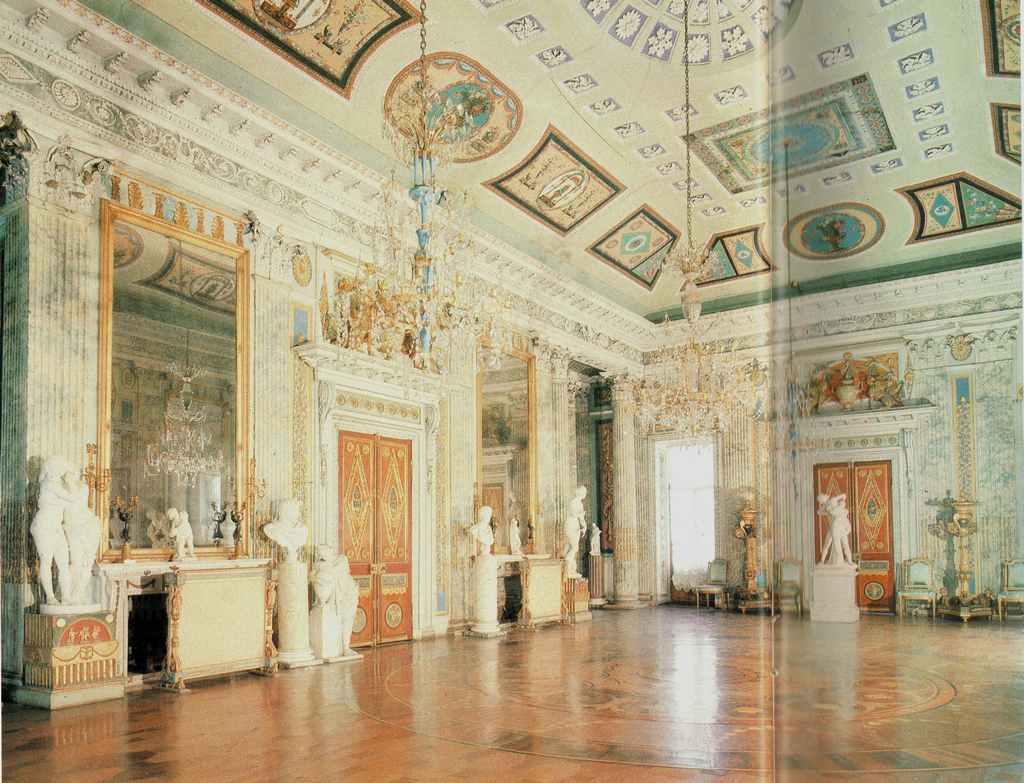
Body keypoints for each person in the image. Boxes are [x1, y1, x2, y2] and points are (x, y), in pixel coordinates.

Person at [30, 457, 76, 606]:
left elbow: (71, 503)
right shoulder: (49, 484)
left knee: (63, 563)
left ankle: (66, 597)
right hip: (44, 526)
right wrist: (71, 481)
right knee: (46, 561)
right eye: (61, 469)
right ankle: (50, 597)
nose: (63, 472)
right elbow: (72, 498)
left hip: (56, 527)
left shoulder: (56, 485)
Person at [818, 493, 854, 566]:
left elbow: (843, 496)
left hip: (838, 528)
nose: (822, 502)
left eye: (822, 500)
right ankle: (822, 561)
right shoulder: (829, 507)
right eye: (821, 502)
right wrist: (825, 508)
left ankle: (849, 561)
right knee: (828, 545)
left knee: (844, 544)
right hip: (833, 528)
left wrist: (840, 498)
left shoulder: (834, 504)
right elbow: (819, 512)